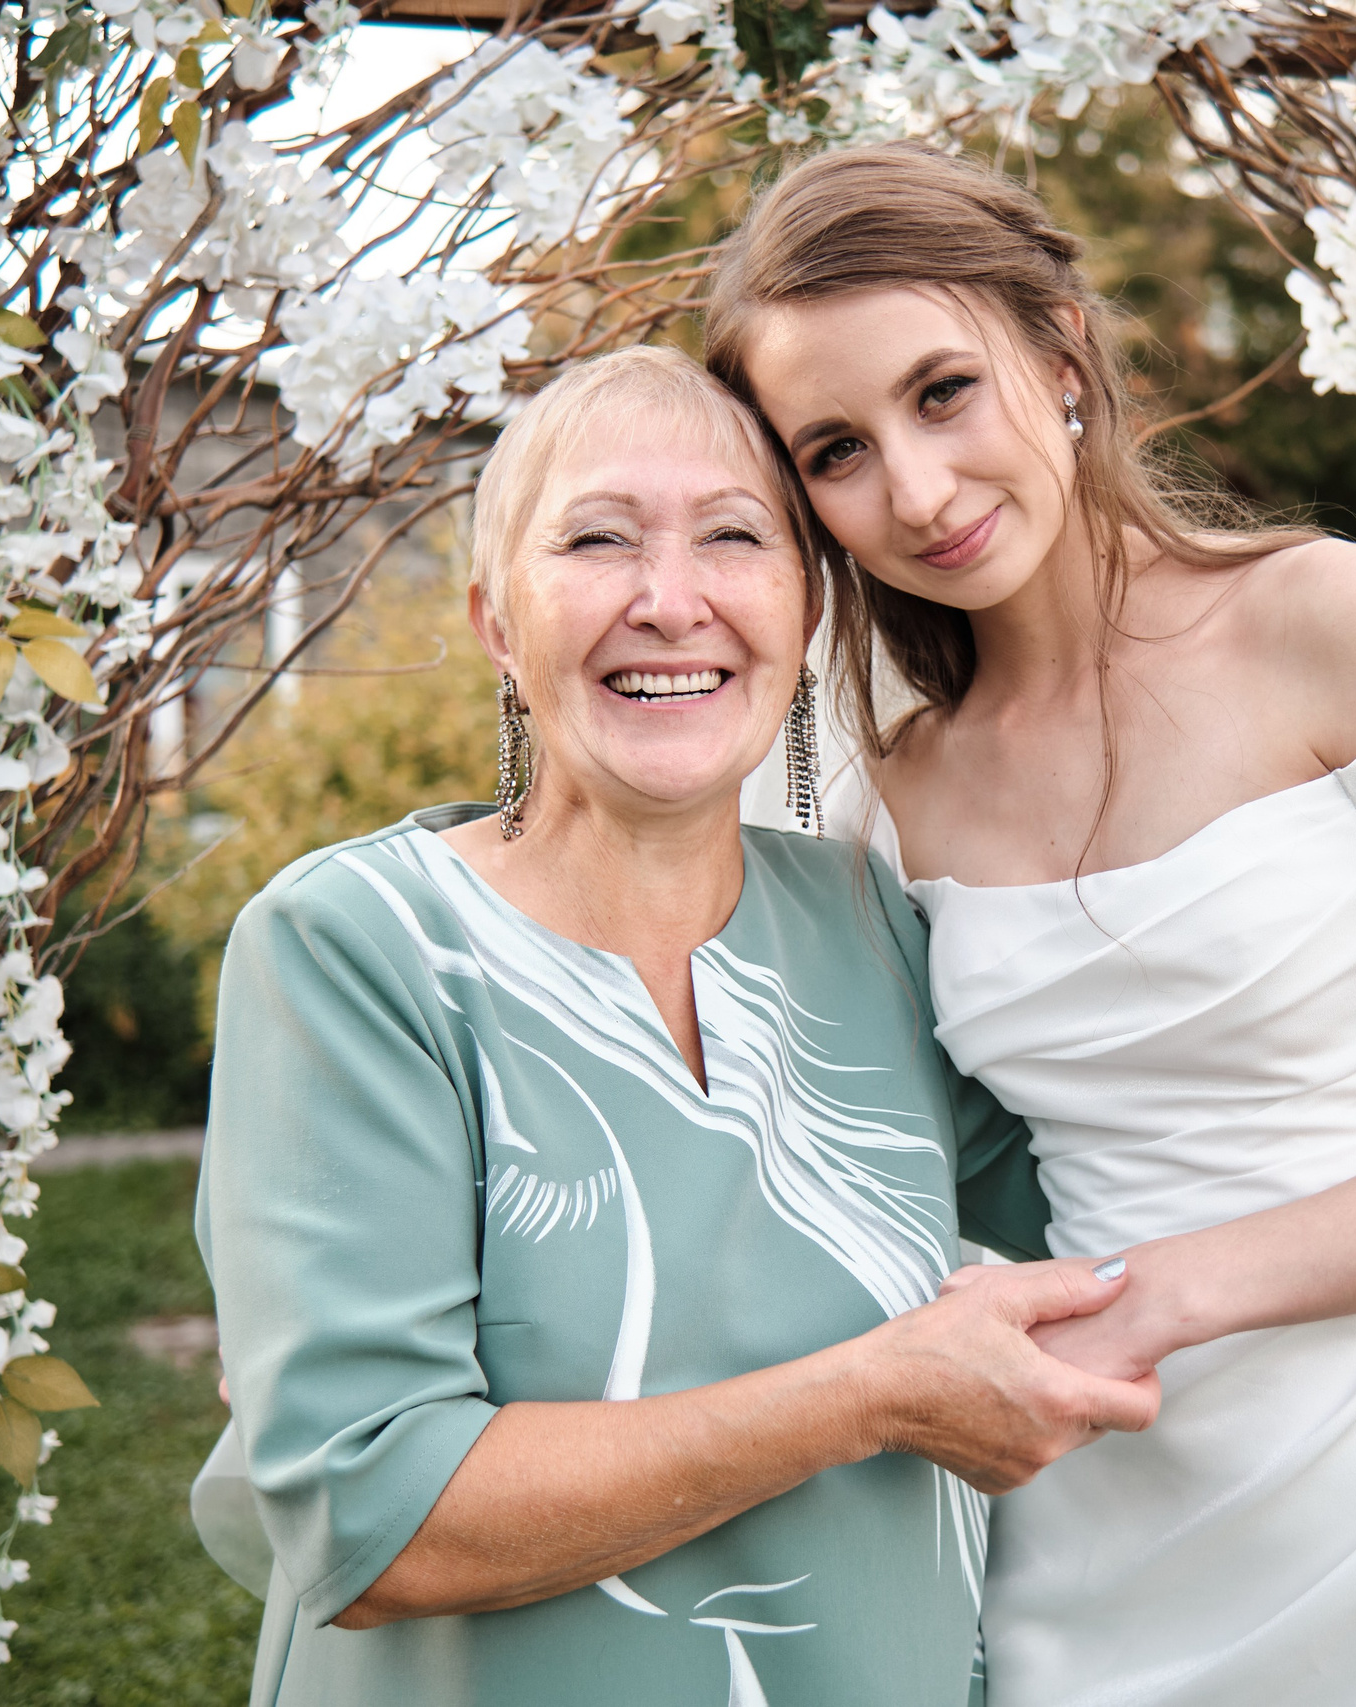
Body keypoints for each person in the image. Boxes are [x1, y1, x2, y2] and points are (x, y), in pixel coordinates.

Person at [706, 142, 1356, 1704]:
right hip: (1095, 1535)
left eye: (944, 391)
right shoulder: (881, 795)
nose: (919, 490)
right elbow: (854, 1178)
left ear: (1062, 351)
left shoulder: (1337, 621)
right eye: (838, 449)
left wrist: (1176, 1294)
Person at [192, 345, 1166, 1707]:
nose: (670, 602)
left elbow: (1116, 1211)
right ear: (495, 623)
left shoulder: (868, 921)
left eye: (733, 538)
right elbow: (375, 1519)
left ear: (808, 606)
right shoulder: (359, 948)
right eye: (596, 541)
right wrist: (874, 1394)